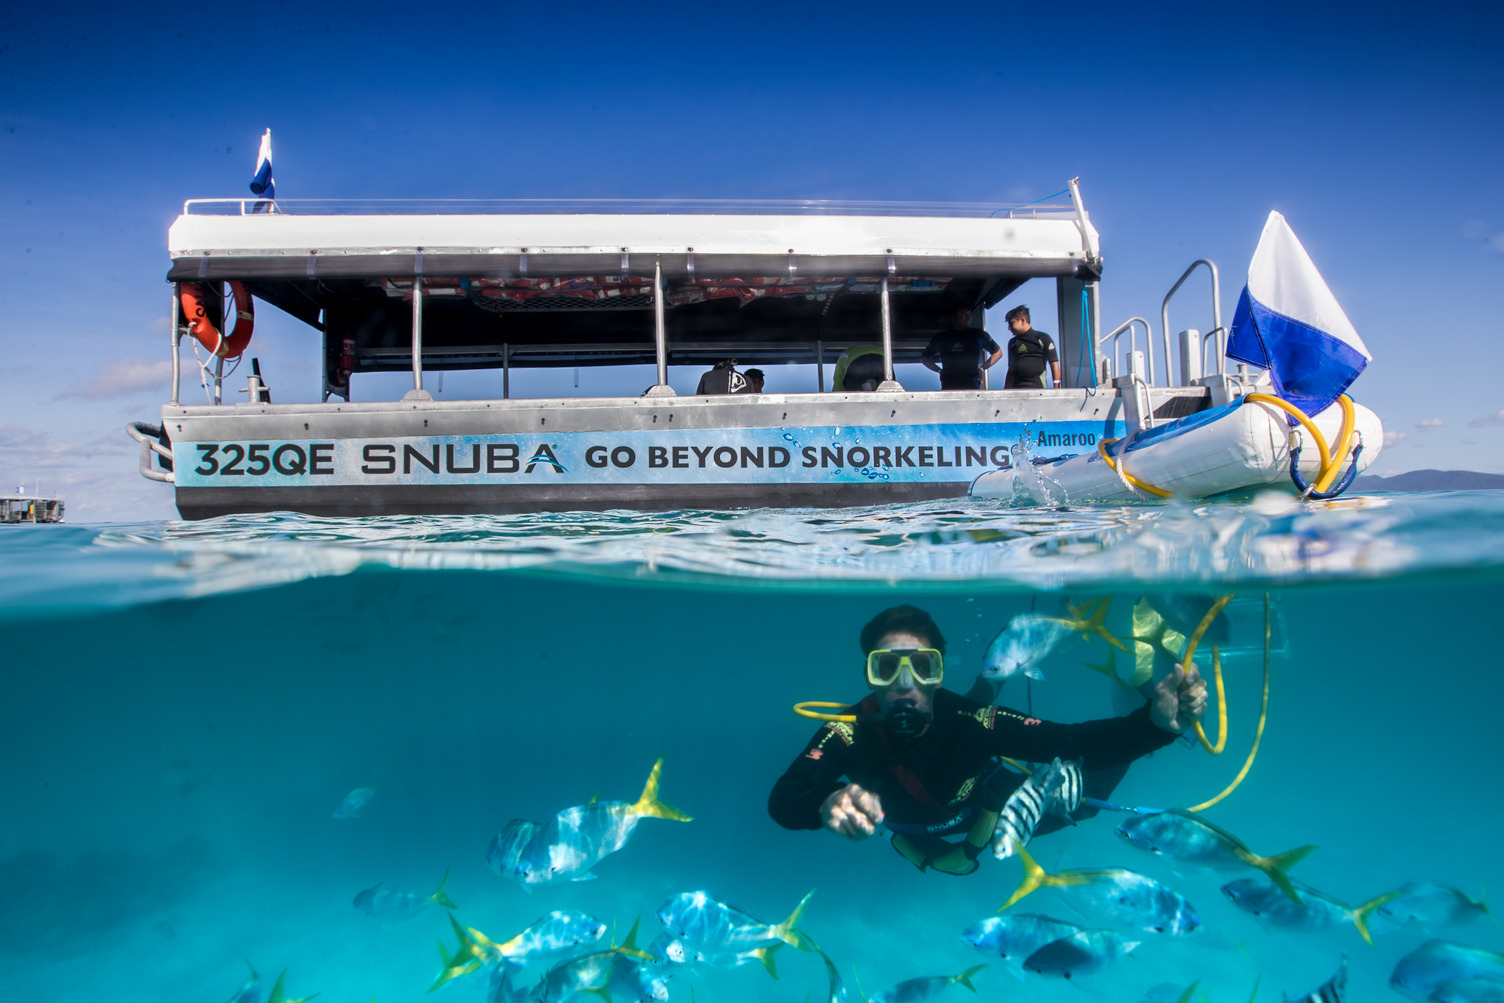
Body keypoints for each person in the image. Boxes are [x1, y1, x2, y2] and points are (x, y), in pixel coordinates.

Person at [767, 604, 1207, 875]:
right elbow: (784, 798)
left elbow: (1074, 742)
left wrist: (1153, 725)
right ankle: (991, 679)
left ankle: (992, 681)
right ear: (870, 674)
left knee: (1085, 805)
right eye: (886, 668)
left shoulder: (970, 719)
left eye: (923, 666)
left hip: (994, 811)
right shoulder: (848, 729)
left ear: (939, 673)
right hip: (919, 832)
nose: (905, 683)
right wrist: (824, 802)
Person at [921, 307, 1002, 390]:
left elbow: (998, 352)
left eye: (970, 314)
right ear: (953, 317)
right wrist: (939, 370)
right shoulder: (942, 337)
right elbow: (924, 357)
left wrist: (982, 369)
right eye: (964, 314)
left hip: (972, 387)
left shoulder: (979, 334)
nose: (969, 317)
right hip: (948, 387)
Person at [1002, 305, 1060, 389]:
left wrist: (1056, 390)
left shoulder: (1043, 338)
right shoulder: (1012, 343)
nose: (1009, 328)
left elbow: (1054, 364)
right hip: (1016, 392)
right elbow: (1011, 370)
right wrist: (1005, 392)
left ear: (1022, 320)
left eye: (1011, 323)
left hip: (1039, 391)